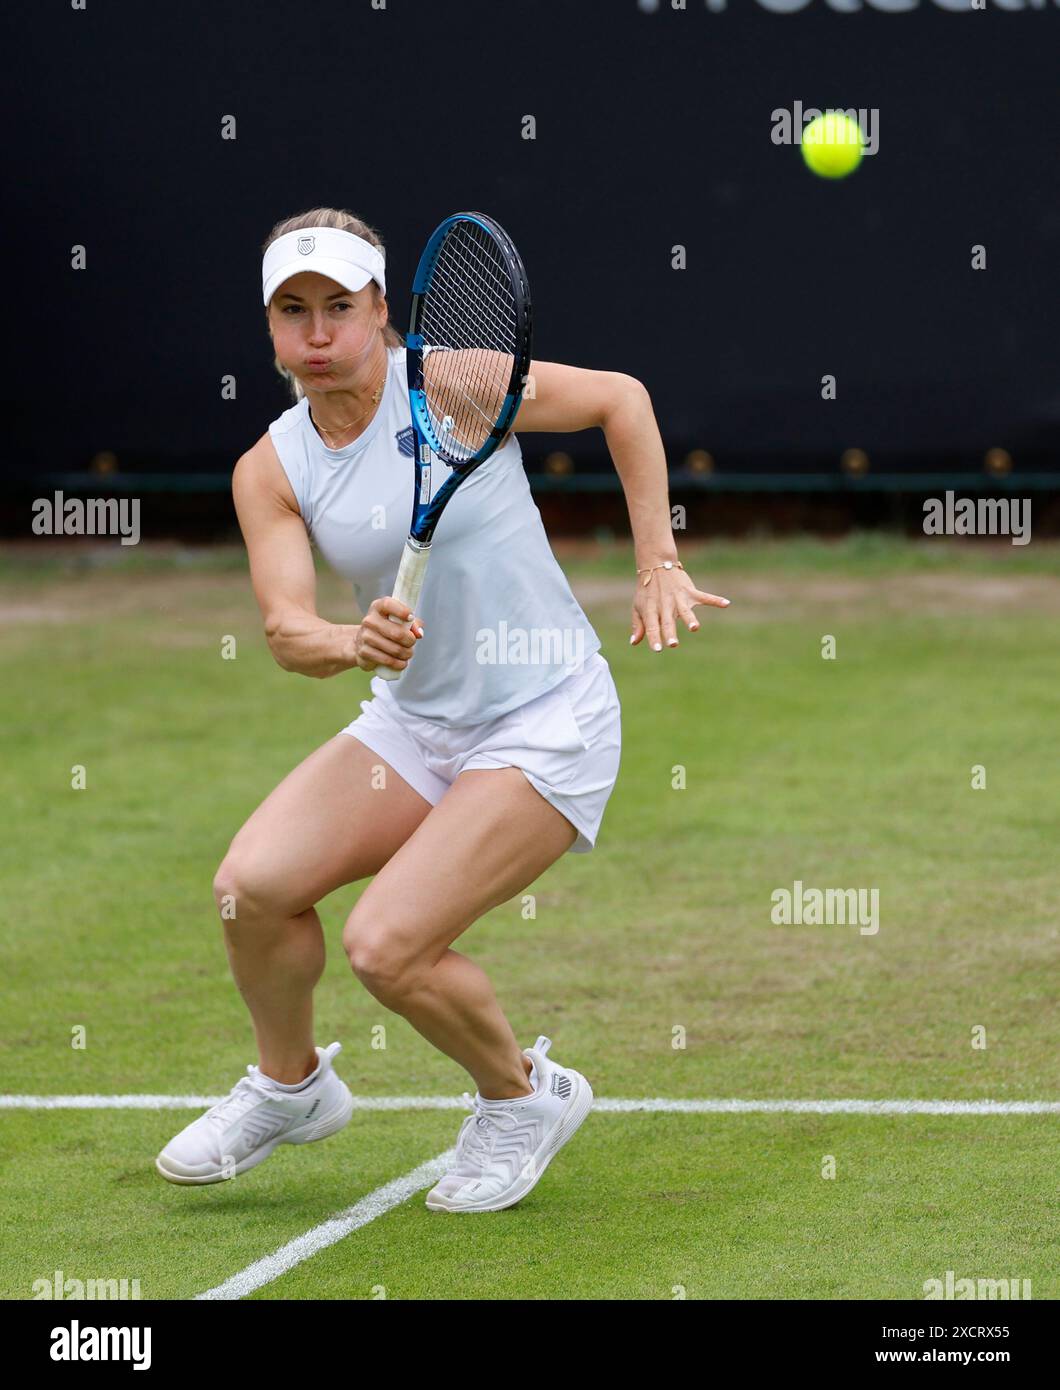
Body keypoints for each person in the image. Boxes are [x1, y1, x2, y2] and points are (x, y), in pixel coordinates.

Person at [155, 207, 729, 1211]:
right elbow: (289, 629)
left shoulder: (453, 384)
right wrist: (349, 642)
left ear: (381, 309)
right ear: (271, 328)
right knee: (251, 887)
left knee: (386, 946)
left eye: (340, 305)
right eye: (294, 311)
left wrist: (658, 560)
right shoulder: (271, 469)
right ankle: (291, 1086)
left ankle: (522, 1095)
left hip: (547, 715)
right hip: (415, 723)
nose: (319, 333)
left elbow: (622, 403)